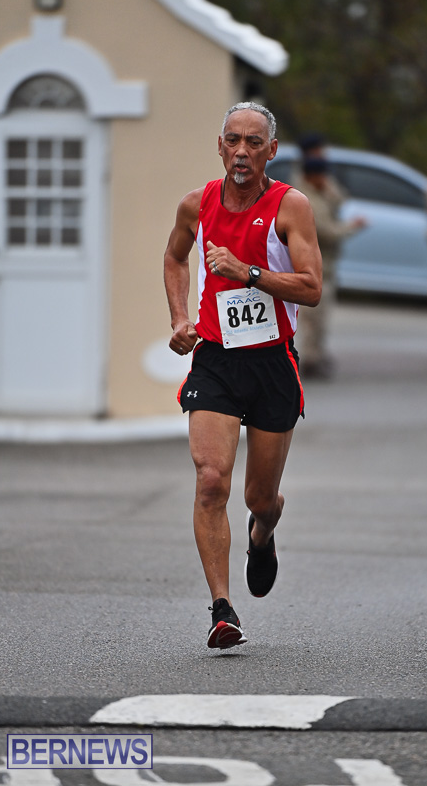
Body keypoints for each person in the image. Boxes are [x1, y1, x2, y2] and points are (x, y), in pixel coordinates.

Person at [163, 102, 322, 650]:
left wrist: (247, 272)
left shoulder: (290, 206)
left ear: (271, 151)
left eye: (254, 142)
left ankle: (264, 532)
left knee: (260, 497)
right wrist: (180, 318)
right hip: (217, 359)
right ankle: (222, 610)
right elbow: (175, 258)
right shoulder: (197, 204)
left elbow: (312, 287)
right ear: (220, 146)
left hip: (273, 362)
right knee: (211, 481)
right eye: (233, 140)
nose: (242, 152)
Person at [293, 155, 367, 378]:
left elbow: (340, 199)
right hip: (311, 265)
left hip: (326, 265)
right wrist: (353, 227)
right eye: (321, 175)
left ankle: (317, 355)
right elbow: (328, 231)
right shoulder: (306, 200)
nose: (325, 179)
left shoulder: (321, 192)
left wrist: (329, 188)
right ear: (311, 176)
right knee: (313, 317)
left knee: (321, 316)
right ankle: (310, 359)